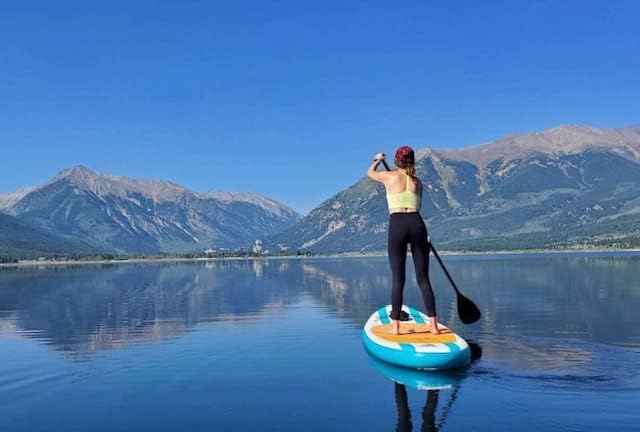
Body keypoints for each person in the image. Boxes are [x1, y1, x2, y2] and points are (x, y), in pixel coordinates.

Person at [367, 146, 439, 335]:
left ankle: (396, 327)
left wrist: (378, 159)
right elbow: (418, 204)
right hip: (417, 225)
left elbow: (370, 173)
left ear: (397, 161)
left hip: (397, 225)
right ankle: (433, 327)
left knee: (398, 280)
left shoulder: (389, 177)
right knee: (424, 279)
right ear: (412, 161)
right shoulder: (418, 183)